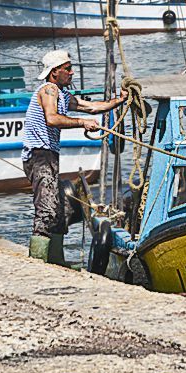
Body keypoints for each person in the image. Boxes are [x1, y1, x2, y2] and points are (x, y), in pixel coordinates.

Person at [23, 49, 128, 266]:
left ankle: (56, 261)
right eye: (67, 69)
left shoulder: (62, 94)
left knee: (59, 210)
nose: (71, 73)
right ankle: (36, 262)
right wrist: (81, 122)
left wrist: (120, 101)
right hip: (39, 156)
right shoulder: (49, 90)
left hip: (49, 156)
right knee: (47, 208)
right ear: (54, 72)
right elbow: (51, 118)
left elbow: (91, 107)